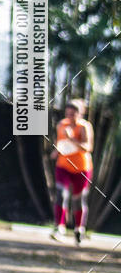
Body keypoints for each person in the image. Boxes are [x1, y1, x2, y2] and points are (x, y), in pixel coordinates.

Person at [50, 99, 94, 245]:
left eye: (73, 113)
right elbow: (61, 143)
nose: (70, 116)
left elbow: (88, 147)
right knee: (61, 194)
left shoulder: (85, 126)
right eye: (68, 113)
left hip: (81, 168)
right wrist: (56, 151)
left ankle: (79, 230)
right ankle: (60, 228)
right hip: (63, 165)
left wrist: (72, 138)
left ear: (80, 113)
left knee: (78, 200)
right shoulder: (61, 125)